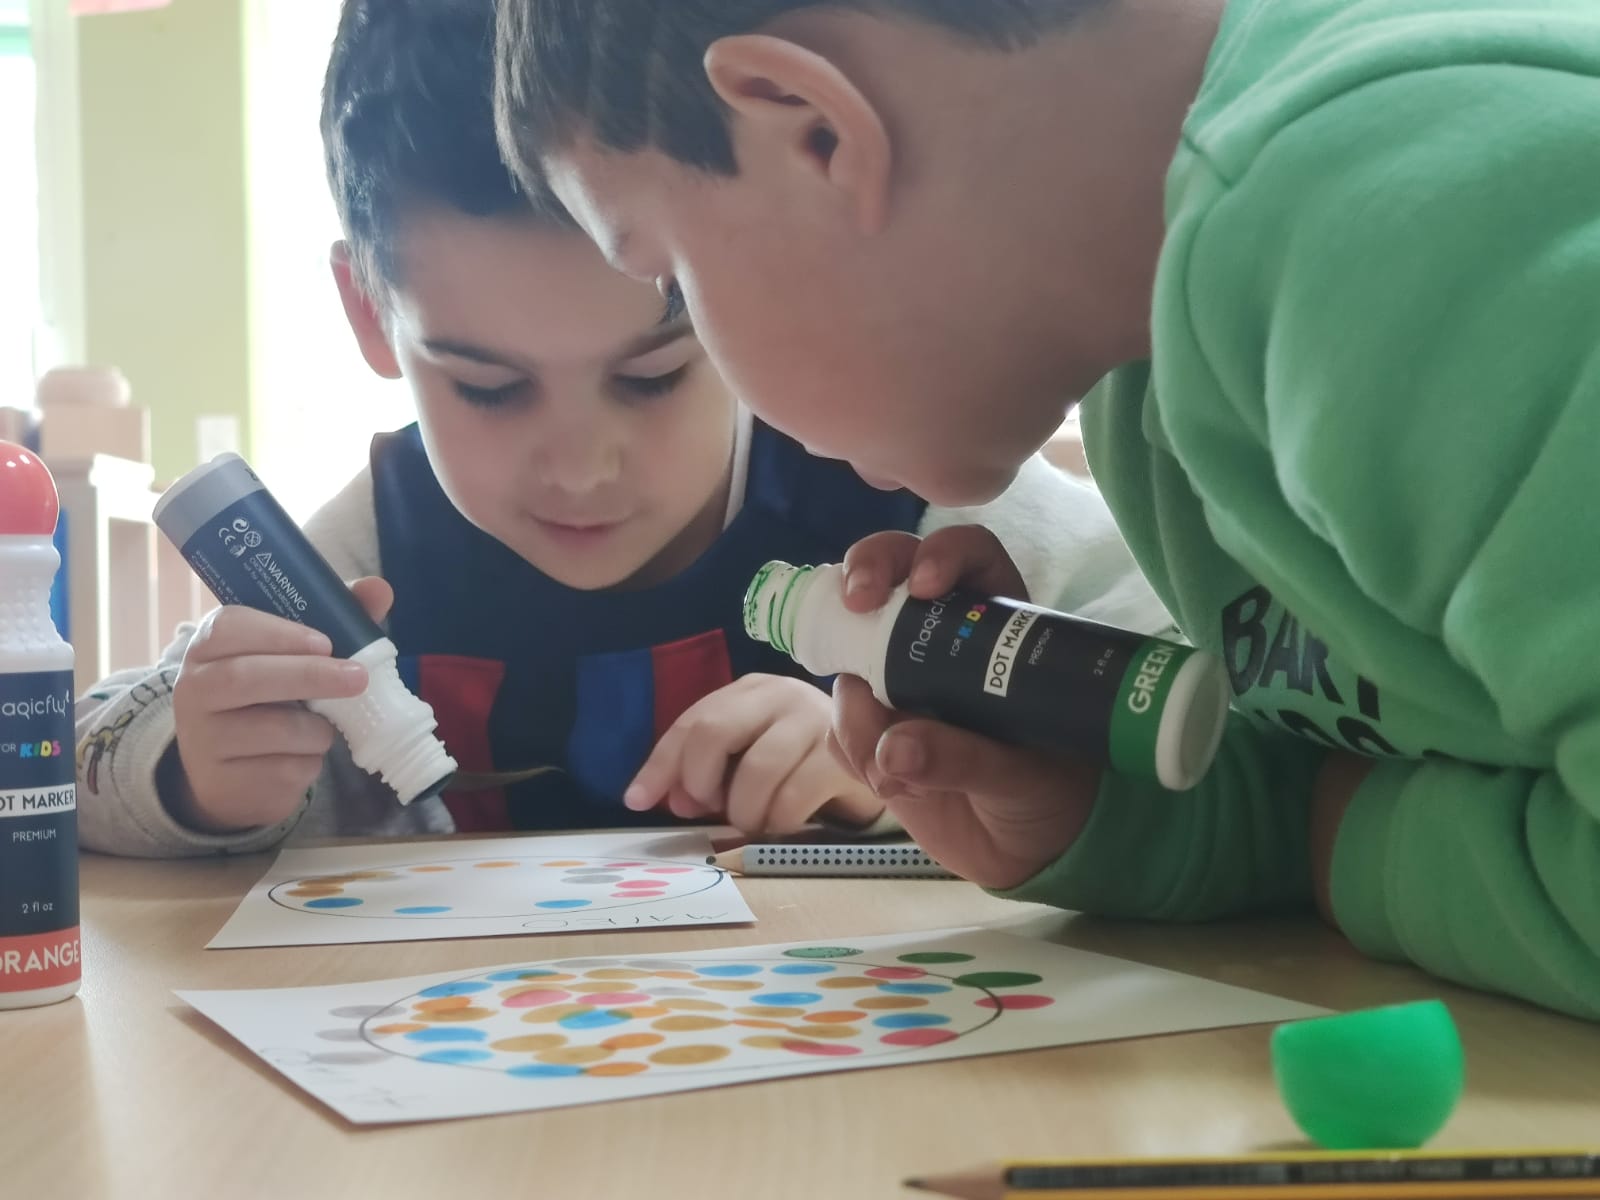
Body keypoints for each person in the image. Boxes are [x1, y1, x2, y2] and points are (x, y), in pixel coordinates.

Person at [493, 0, 1600, 1019]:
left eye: (672, 285)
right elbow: (1369, 754)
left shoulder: (1402, 214)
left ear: (815, 134)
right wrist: (1101, 811)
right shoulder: (1142, 384)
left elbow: (1351, 815)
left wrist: (1341, 844)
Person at [74, 0, 1168, 859]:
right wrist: (192, 778)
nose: (581, 468)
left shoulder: (900, 487)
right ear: (369, 311)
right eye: (489, 389)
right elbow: (78, 750)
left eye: (652, 376)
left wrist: (913, 775)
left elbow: (1202, 690)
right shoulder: (361, 561)